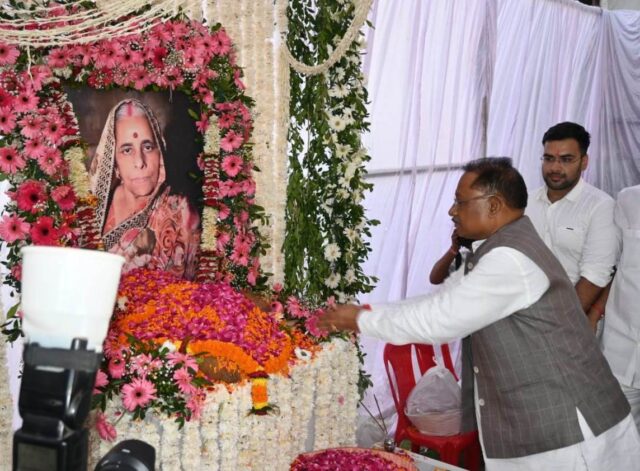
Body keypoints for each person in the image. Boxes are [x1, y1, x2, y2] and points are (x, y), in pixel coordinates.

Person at [319, 158, 639, 470]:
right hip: (544, 430)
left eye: (460, 202)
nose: (452, 211)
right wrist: (366, 311)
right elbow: (440, 301)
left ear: (494, 205)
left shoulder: (509, 259)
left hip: (568, 433)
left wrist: (358, 319)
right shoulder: (496, 249)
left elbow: (439, 319)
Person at [89, 98, 201, 279]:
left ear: (160, 153)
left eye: (148, 147)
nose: (140, 162)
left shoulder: (181, 213)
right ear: (114, 163)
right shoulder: (94, 207)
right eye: (127, 150)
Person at [526, 122, 619, 331]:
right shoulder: (526, 203)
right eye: (549, 158)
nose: (555, 168)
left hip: (568, 323)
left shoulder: (600, 206)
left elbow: (595, 275)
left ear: (584, 162)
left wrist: (558, 324)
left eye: (566, 159)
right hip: (523, 317)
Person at [599, 185, 640, 433]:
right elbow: (611, 264)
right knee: (614, 436)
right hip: (620, 348)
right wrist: (594, 314)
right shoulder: (629, 199)